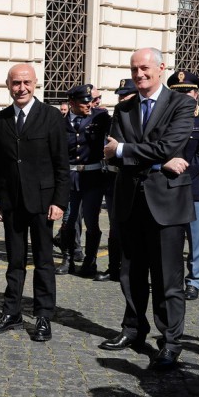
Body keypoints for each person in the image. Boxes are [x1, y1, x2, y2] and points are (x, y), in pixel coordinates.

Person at [99, 48, 195, 371]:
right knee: (131, 273)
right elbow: (111, 153)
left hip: (167, 203)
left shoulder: (182, 103)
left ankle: (170, 342)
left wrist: (129, 150)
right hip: (129, 200)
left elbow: (168, 145)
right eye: (134, 69)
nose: (139, 74)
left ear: (160, 68)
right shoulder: (124, 109)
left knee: (168, 277)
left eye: (144, 68)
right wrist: (156, 159)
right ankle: (133, 328)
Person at [0, 63, 69, 341]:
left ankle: (43, 316)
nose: (21, 88)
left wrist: (60, 201)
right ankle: (12, 313)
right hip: (11, 202)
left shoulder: (51, 117)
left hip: (43, 202)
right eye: (16, 83)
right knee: (14, 261)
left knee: (44, 261)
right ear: (8, 86)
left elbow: (61, 164)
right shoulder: (0, 120)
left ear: (35, 85)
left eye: (26, 83)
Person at [56, 84, 111, 277]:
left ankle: (90, 262)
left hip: (92, 178)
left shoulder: (100, 117)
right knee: (68, 222)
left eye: (91, 101)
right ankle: (68, 259)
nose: (89, 105)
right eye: (84, 102)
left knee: (92, 222)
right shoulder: (60, 122)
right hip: (69, 179)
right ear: (72, 103)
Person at [94, 78, 138, 282]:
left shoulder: (140, 120)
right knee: (115, 226)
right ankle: (113, 268)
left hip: (133, 178)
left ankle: (131, 271)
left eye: (125, 95)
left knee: (133, 227)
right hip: (113, 178)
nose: (121, 99)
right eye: (120, 96)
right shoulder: (113, 119)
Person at [166, 70, 199, 301]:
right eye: (177, 94)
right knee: (171, 237)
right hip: (168, 186)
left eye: (187, 92)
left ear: (196, 94)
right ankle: (172, 279)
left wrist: (179, 170)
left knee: (196, 238)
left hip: (194, 186)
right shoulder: (166, 119)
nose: (183, 97)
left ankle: (195, 280)